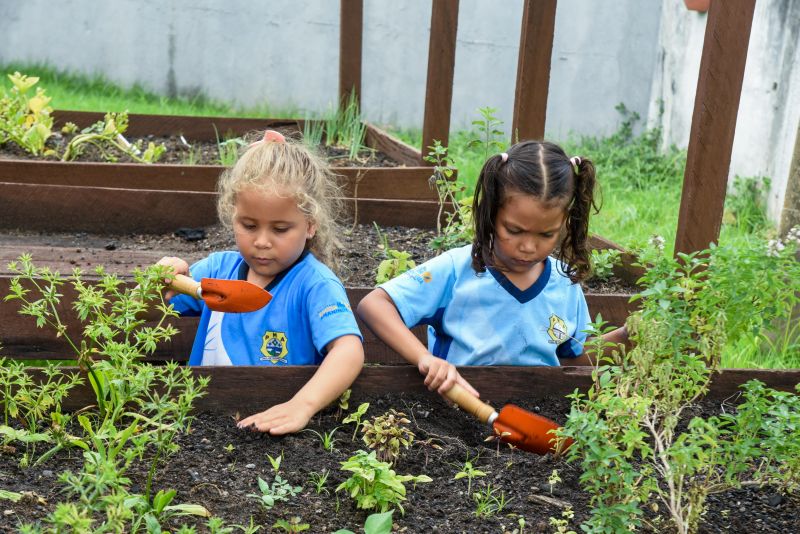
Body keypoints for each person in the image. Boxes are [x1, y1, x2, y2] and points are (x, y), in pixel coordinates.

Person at [357, 140, 627, 399]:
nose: (528, 246)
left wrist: (626, 336)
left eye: (546, 234)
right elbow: (375, 304)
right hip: (459, 410)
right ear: (491, 212)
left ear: (565, 223)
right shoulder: (456, 270)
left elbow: (570, 358)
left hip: (539, 414)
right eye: (514, 230)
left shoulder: (564, 283)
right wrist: (425, 359)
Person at [157, 130, 364, 434]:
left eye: (280, 229)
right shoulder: (217, 270)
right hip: (199, 421)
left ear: (310, 225)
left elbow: (349, 349)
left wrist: (302, 405)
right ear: (233, 214)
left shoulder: (314, 284)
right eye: (249, 225)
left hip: (275, 428)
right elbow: (155, 307)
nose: (262, 242)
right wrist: (162, 279)